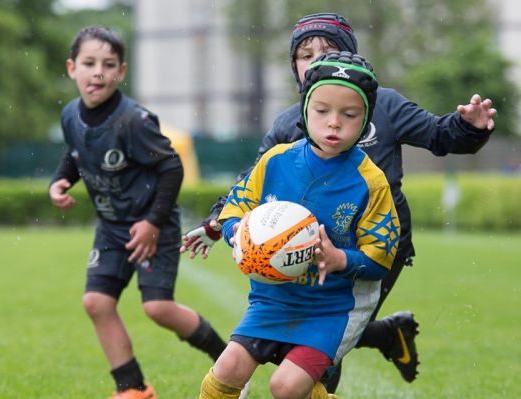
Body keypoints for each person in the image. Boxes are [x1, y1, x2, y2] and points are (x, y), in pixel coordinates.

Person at [182, 12, 496, 391]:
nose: (315, 60)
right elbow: (249, 189)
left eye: (327, 51)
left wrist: (468, 127)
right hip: (295, 247)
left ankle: (350, 356)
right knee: (295, 343)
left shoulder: (384, 108)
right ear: (296, 68)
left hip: (371, 243)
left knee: (323, 344)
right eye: (305, 54)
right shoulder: (287, 131)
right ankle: (385, 334)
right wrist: (223, 225)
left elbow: (439, 135)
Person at [199, 51, 400, 399]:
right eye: (322, 111)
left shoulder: (371, 182)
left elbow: (381, 259)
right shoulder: (275, 160)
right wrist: (240, 235)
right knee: (229, 367)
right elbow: (232, 212)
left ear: (366, 120)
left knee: (286, 386)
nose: (334, 123)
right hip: (272, 299)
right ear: (305, 110)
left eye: (349, 114)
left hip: (331, 307)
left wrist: (341, 260)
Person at [49, 26, 227, 399]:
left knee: (158, 308)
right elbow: (75, 152)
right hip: (113, 228)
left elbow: (171, 168)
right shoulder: (70, 115)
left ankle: (227, 362)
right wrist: (60, 182)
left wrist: (152, 223)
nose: (98, 72)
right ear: (71, 68)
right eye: (89, 63)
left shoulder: (134, 120)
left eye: (108, 64)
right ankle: (132, 388)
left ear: (122, 72)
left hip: (153, 226)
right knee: (96, 303)